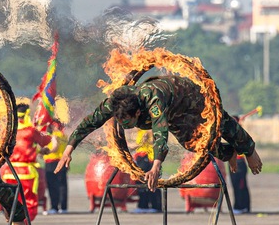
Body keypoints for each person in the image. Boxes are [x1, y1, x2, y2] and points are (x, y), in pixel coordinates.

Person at [55, 75, 263, 191]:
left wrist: (155, 167)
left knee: (219, 122)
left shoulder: (153, 99)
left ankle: (249, 149)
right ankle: (229, 153)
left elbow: (160, 133)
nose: (125, 126)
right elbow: (89, 123)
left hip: (189, 97)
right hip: (174, 114)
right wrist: (69, 149)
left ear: (137, 112)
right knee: (194, 143)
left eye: (128, 122)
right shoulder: (114, 104)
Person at [0, 104, 54, 225]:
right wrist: (45, 149)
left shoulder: (8, 131)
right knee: (29, 206)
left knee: (11, 205)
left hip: (8, 172)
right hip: (26, 173)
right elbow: (51, 144)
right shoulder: (31, 131)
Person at [132, 129, 161, 213]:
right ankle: (143, 205)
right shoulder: (140, 130)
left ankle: (155, 205)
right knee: (140, 182)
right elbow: (138, 145)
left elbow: (155, 142)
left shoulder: (151, 129)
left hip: (149, 157)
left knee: (148, 181)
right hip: (140, 156)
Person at [43, 119, 69, 214]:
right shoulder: (64, 136)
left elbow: (55, 147)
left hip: (52, 163)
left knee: (52, 186)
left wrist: (46, 152)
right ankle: (64, 207)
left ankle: (54, 207)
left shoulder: (54, 136)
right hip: (63, 161)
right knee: (62, 185)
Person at [229, 115, 251, 214]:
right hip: (232, 161)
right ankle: (240, 206)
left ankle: (241, 206)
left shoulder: (239, 134)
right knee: (235, 186)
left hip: (239, 163)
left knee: (240, 186)